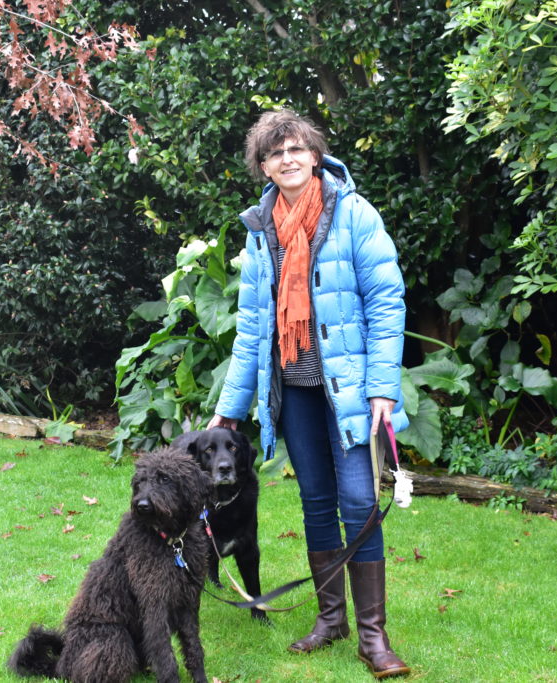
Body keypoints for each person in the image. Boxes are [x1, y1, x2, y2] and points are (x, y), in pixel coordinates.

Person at [208, 109, 410, 678]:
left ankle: (374, 637)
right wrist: (229, 410)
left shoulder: (353, 214)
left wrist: (382, 388)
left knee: (357, 502)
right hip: (291, 391)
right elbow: (252, 330)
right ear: (263, 166)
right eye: (275, 153)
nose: (288, 159)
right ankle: (330, 620)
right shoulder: (259, 229)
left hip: (349, 390)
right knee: (316, 504)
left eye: (297, 148)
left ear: (315, 155)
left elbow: (387, 303)